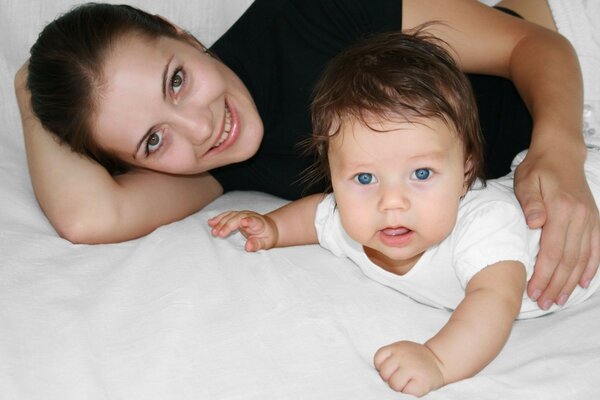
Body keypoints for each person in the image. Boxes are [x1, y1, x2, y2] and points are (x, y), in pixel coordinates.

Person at [13, 0, 598, 310]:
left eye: (176, 80)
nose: (201, 126)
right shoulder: (219, 162)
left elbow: (531, 43)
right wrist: (27, 86)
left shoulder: (312, 13)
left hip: (575, 52)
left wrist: (559, 150)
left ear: (182, 35)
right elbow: (90, 218)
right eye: (153, 140)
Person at [207, 30, 600, 396]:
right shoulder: (351, 219)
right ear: (334, 177)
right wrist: (271, 227)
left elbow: (494, 301)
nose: (391, 202)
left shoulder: (486, 224)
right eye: (364, 178)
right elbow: (315, 215)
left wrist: (437, 359)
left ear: (466, 170)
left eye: (422, 173)